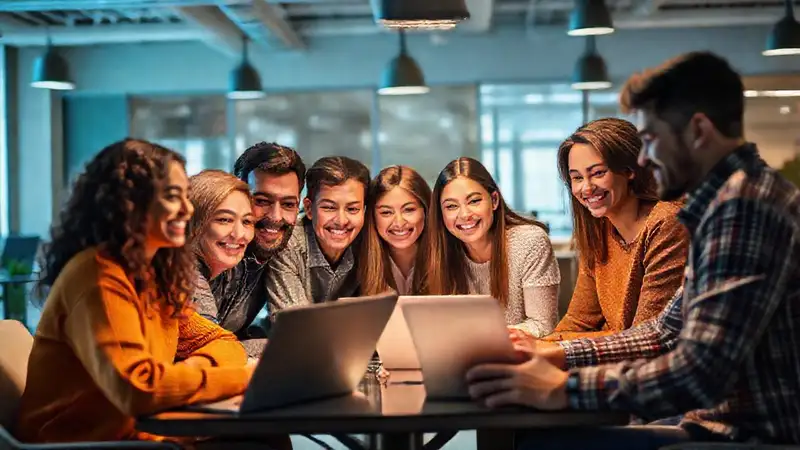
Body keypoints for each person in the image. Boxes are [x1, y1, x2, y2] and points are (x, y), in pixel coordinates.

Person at [466, 52, 800, 448]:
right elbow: (662, 332)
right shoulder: (725, 204)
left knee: (539, 442)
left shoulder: (744, 209)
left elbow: (698, 372)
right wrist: (560, 355)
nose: (642, 160)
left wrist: (565, 388)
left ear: (698, 131)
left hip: (744, 436)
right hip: (713, 428)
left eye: (652, 139)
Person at [13, 139, 253, 445]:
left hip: (140, 432)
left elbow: (223, 342)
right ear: (128, 203)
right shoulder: (98, 275)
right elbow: (139, 389)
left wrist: (194, 370)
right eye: (172, 196)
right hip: (80, 443)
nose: (187, 209)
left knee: (261, 438)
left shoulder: (153, 276)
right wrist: (242, 377)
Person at [542, 117, 689, 341]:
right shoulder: (597, 229)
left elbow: (646, 337)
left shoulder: (667, 222)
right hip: (614, 360)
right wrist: (535, 348)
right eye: (577, 178)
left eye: (598, 173)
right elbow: (579, 321)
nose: (586, 188)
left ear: (630, 170)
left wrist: (552, 349)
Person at [425, 157, 561, 337]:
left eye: (474, 201)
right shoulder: (441, 251)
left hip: (522, 359)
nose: (464, 214)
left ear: (494, 200)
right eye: (451, 206)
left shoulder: (530, 242)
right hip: (465, 360)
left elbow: (542, 325)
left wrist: (479, 339)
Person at [192, 142, 305, 357]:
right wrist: (281, 347)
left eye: (289, 204)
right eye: (261, 201)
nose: (275, 217)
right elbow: (208, 347)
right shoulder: (192, 257)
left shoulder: (280, 246)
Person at [266, 156, 370, 313]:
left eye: (352, 209)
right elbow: (295, 323)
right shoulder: (287, 242)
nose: (341, 221)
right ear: (308, 208)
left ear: (364, 211)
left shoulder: (370, 240)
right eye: (329, 207)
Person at [187, 170, 261, 351]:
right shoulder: (183, 269)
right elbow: (215, 349)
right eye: (224, 220)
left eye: (247, 222)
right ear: (194, 223)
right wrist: (285, 345)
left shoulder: (225, 272)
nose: (239, 234)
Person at [358, 165, 432, 296]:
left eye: (409, 210)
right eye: (386, 212)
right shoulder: (355, 261)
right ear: (372, 217)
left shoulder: (450, 256)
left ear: (426, 211)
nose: (399, 223)